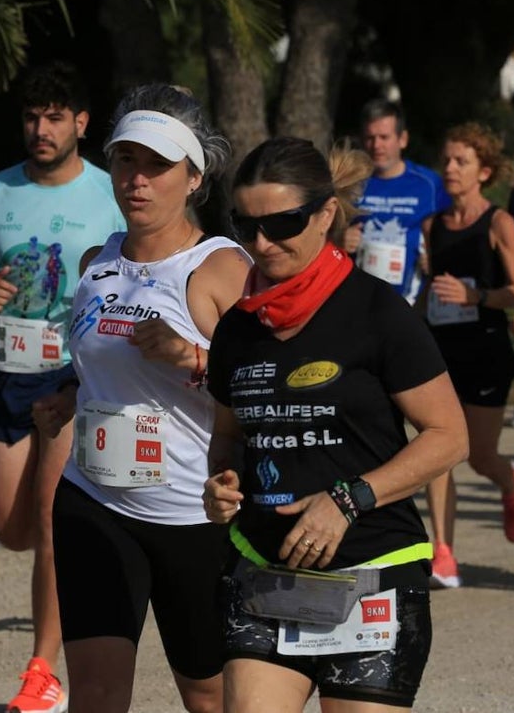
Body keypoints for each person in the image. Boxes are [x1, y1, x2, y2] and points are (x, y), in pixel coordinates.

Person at [203, 136, 468, 712]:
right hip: (263, 570)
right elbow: (227, 436)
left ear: (325, 215)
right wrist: (222, 480)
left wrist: (346, 499)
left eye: (282, 224)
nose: (262, 243)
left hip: (371, 572)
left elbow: (449, 437)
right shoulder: (238, 329)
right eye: (246, 227)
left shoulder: (377, 313)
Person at [30, 84, 250, 713]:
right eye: (126, 161)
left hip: (191, 512)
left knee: (208, 697)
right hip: (94, 500)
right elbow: (104, 365)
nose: (138, 179)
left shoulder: (220, 268)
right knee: (96, 696)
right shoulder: (96, 263)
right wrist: (72, 392)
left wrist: (194, 357)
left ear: (194, 177)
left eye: (157, 166)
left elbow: (267, 383)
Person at [0, 61, 124, 713]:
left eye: (54, 117)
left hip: (71, 375)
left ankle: (42, 670)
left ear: (81, 123)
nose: (40, 129)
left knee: (49, 525)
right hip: (4, 373)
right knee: (11, 529)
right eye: (31, 116)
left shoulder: (108, 195)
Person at [418, 122, 514, 588]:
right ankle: (443, 553)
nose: (450, 168)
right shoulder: (433, 225)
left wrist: (475, 298)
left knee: (480, 456)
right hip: (440, 352)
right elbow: (430, 289)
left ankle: (510, 482)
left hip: (486, 349)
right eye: (446, 159)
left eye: (461, 161)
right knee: (438, 452)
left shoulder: (499, 223)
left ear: (483, 171)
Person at [344, 100, 449, 303]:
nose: (376, 146)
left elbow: (453, 231)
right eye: (370, 138)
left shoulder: (429, 184)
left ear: (403, 139)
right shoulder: (351, 184)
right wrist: (341, 238)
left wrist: (437, 257)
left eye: (384, 137)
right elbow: (324, 234)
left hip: (412, 303)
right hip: (361, 301)